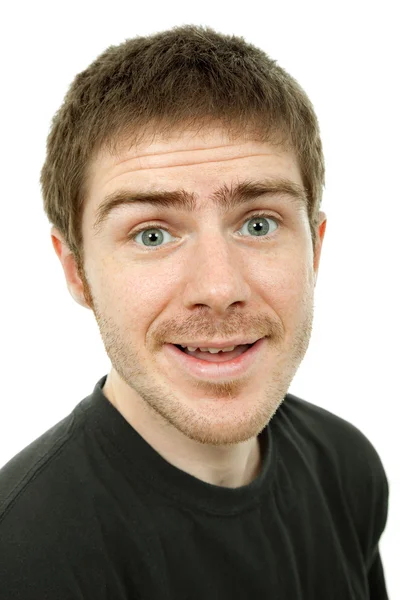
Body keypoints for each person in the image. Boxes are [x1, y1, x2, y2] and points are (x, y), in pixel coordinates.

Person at [0, 24, 389, 599]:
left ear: (315, 249)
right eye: (152, 234)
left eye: (259, 224)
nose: (219, 286)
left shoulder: (346, 467)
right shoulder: (22, 556)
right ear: (76, 271)